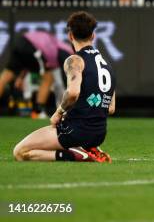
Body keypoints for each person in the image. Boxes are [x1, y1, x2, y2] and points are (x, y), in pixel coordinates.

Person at [12, 11, 116, 162]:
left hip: (75, 131)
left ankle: (77, 155)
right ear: (93, 36)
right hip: (99, 134)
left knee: (20, 152)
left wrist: (58, 113)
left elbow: (73, 93)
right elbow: (111, 108)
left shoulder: (75, 60)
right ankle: (86, 148)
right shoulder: (107, 65)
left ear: (70, 36)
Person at [0, 31, 73, 118]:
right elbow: (68, 76)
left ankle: (37, 110)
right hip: (32, 46)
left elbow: (27, 61)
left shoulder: (55, 43)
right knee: (49, 76)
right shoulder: (67, 51)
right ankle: (38, 111)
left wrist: (21, 77)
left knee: (5, 76)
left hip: (22, 41)